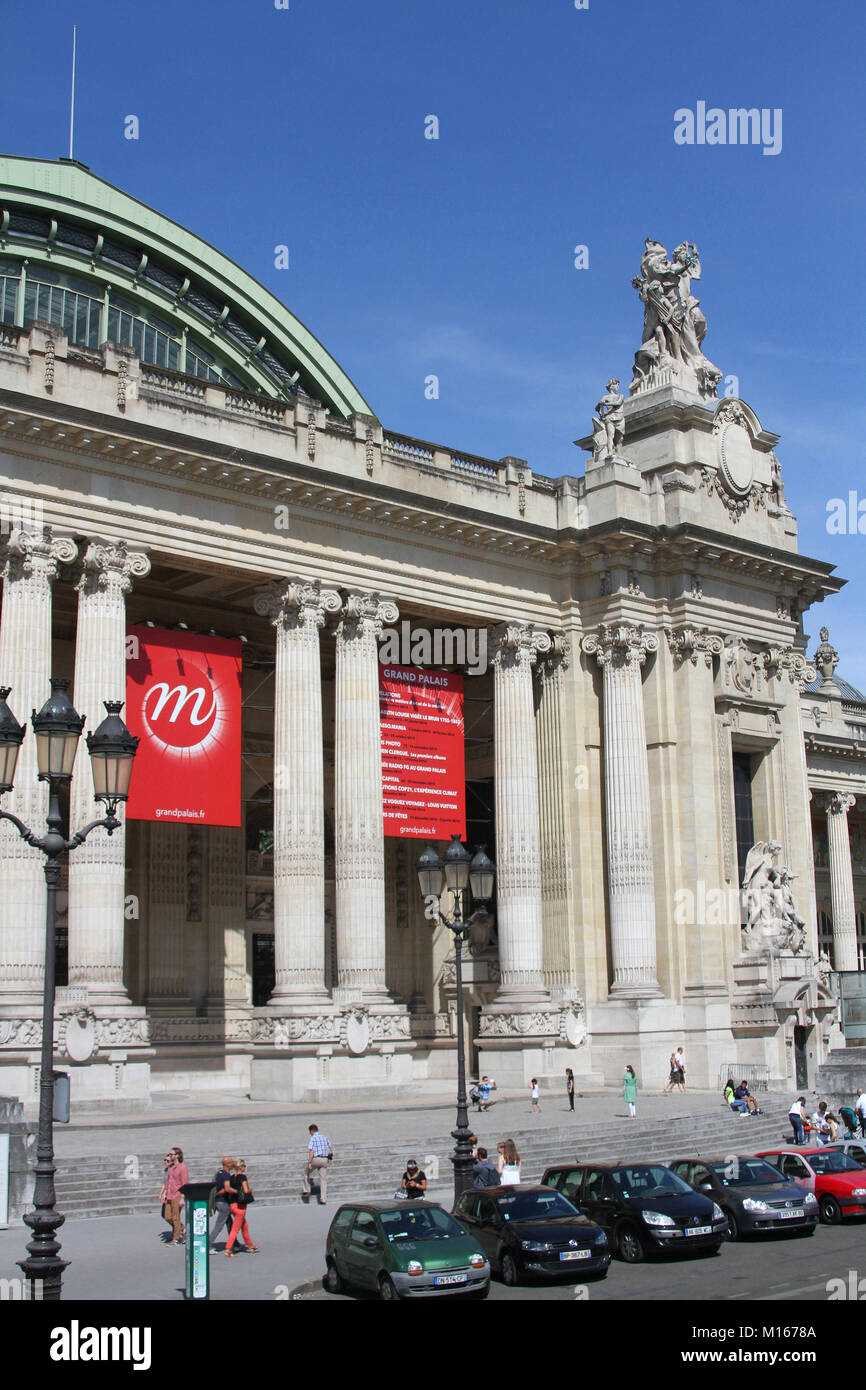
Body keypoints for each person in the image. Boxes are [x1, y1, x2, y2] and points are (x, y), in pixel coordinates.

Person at [225, 1159, 259, 1256]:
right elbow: (245, 1190)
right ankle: (228, 1249)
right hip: (240, 1206)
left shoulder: (232, 1177)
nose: (245, 1167)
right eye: (244, 1166)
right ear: (241, 1167)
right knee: (235, 1229)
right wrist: (250, 1190)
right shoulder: (243, 1177)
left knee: (244, 1226)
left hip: (232, 1204)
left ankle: (250, 1245)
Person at [160, 1146, 189, 1246]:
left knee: (176, 1217)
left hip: (177, 1194)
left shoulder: (182, 1168)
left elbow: (184, 1183)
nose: (170, 1156)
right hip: (170, 1195)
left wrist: (182, 1198)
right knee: (167, 1216)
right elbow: (167, 1181)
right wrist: (164, 1193)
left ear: (177, 1156)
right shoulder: (170, 1168)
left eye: (172, 1154)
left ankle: (175, 1239)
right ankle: (183, 1229)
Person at [210, 1155, 238, 1252]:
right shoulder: (226, 1174)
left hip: (218, 1201)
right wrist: (236, 1191)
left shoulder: (219, 1173)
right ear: (228, 1164)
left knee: (230, 1223)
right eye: (231, 1162)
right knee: (219, 1225)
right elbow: (226, 1188)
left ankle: (235, 1243)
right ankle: (208, 1244)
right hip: (223, 1202)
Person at [303, 1123, 332, 1205]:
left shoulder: (313, 1138)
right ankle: (323, 1199)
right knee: (323, 1179)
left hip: (316, 1159)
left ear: (311, 1131)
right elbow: (329, 1150)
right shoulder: (325, 1137)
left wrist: (309, 1162)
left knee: (306, 1172)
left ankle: (306, 1190)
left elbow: (311, 1151)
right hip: (324, 1159)